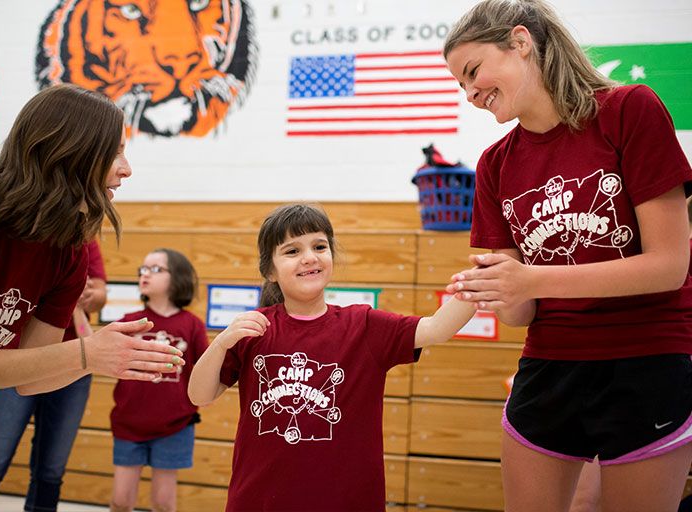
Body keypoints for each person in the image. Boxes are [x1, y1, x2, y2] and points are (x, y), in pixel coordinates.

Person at [442, 1, 692, 511]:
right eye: (460, 86)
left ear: (520, 42)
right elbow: (520, 312)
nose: (469, 94)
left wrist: (531, 280)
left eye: (472, 73)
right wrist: (497, 290)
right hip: (549, 363)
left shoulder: (629, 110)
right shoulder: (493, 165)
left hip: (647, 358)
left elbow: (669, 267)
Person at [0, 84, 183, 512]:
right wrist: (86, 352)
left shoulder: (70, 250)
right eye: (116, 152)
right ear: (72, 150)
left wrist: (103, 357)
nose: (127, 170)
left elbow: (31, 376)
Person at [187, 203, 478, 511]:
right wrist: (220, 344)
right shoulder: (252, 328)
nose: (309, 257)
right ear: (270, 270)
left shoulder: (364, 325)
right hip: (260, 501)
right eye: (292, 251)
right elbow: (198, 395)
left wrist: (478, 284)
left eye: (319, 246)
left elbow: (436, 328)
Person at [0, 240, 108, 512]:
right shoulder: (25, 239)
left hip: (71, 367)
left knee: (52, 467)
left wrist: (86, 296)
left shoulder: (84, 242)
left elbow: (99, 296)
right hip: (16, 362)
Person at [110, 249, 208, 512]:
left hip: (175, 426)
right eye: (142, 268)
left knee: (164, 503)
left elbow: (204, 371)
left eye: (155, 269)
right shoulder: (128, 322)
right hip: (129, 424)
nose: (145, 274)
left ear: (176, 277)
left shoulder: (193, 325)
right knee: (120, 501)